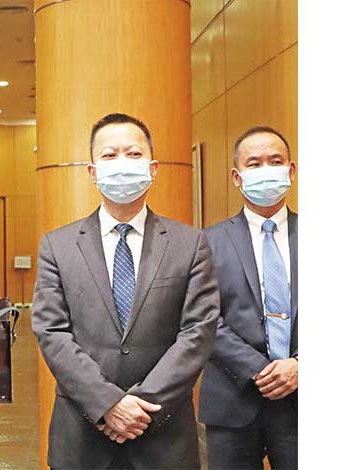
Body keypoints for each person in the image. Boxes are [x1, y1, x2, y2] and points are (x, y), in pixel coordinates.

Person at [31, 113, 220, 469]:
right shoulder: (58, 245)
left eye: (133, 154)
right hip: (82, 438)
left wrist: (140, 408)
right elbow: (51, 332)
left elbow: (198, 331)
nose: (121, 163)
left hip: (163, 437)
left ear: (153, 168)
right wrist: (107, 404)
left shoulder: (190, 244)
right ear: (92, 171)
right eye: (109, 154)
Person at [199, 126, 298, 469]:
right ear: (236, 177)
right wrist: (260, 370)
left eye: (275, 161)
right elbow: (204, 318)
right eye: (254, 164)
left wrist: (300, 365)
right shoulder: (206, 242)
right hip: (232, 401)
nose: (266, 170)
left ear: (291, 170)